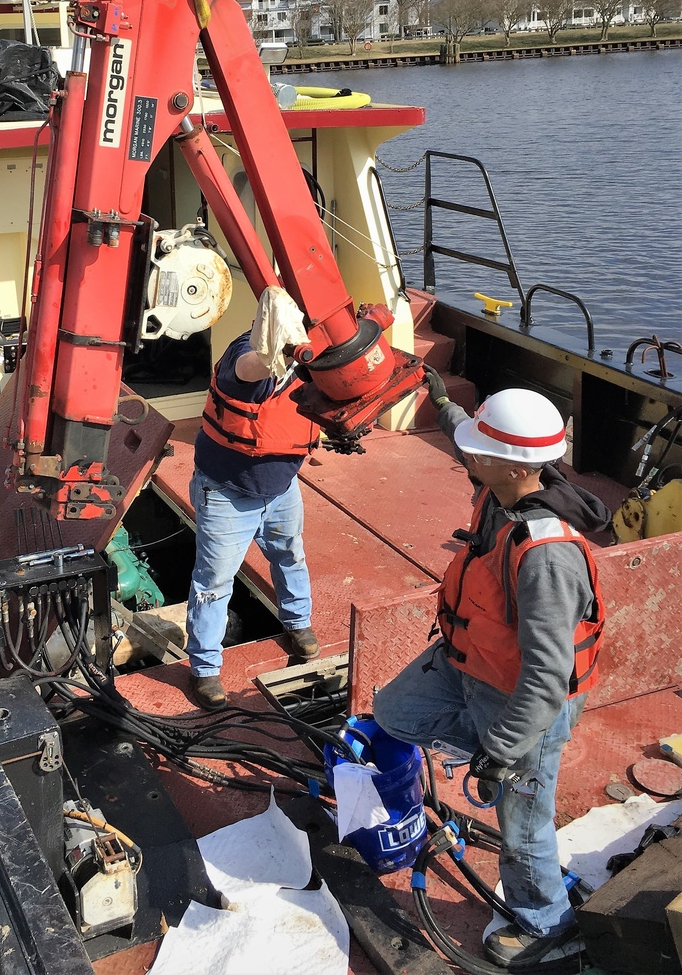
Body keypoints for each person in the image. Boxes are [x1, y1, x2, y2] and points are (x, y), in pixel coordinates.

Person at [373, 374, 608, 969]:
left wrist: (502, 750)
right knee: (394, 711)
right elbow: (463, 436)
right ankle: (495, 757)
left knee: (523, 827)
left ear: (509, 466)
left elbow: (547, 676)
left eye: (479, 447)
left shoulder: (547, 555)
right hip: (468, 664)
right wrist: (444, 401)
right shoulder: (502, 485)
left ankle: (548, 925)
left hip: (524, 702)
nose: (465, 450)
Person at [186, 286, 322, 711]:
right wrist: (270, 353)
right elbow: (250, 369)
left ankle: (298, 624)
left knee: (290, 554)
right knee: (213, 582)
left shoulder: (307, 363)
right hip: (227, 493)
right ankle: (205, 668)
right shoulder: (241, 356)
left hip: (281, 487)